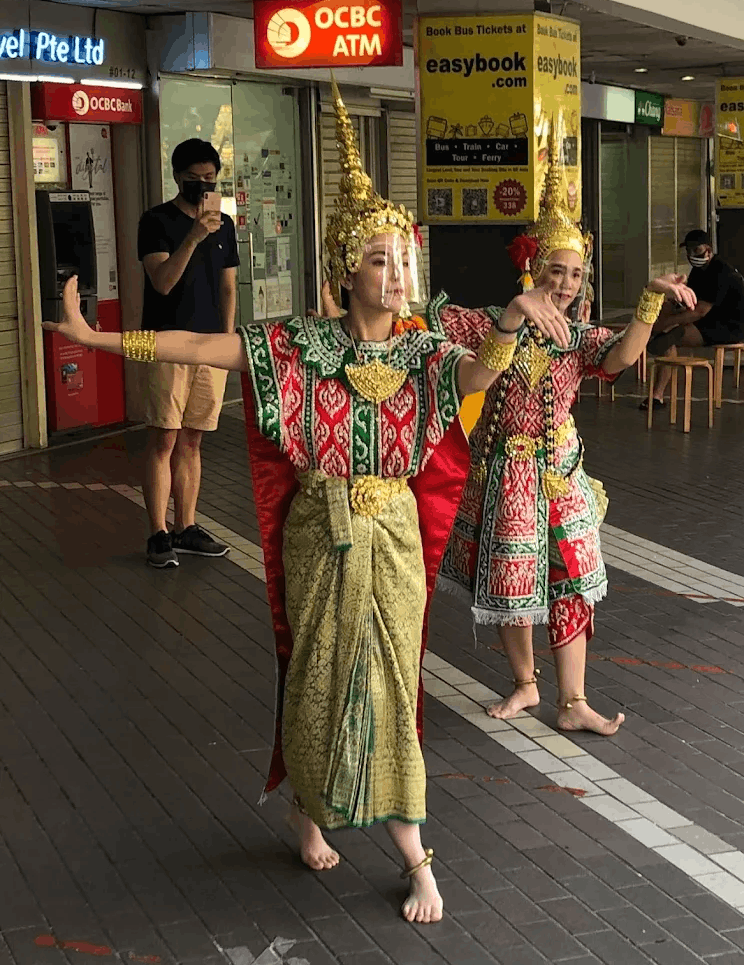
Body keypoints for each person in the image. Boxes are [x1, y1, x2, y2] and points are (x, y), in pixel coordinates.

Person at [43, 81, 572, 925]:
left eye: (404, 259)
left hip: (394, 539)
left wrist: (508, 320)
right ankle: (306, 807)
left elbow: (480, 373)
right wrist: (96, 337)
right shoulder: (298, 344)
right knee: (316, 675)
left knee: (393, 686)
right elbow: (199, 344)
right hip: (318, 536)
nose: (397, 275)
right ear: (345, 269)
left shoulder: (428, 353)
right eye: (379, 260)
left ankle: (413, 852)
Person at [317, 121, 695, 734]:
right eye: (555, 271)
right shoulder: (490, 321)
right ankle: (525, 685)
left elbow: (621, 357)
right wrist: (350, 304)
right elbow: (421, 319)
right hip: (504, 472)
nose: (565, 284)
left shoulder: (576, 335)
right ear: (532, 267)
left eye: (575, 274)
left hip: (561, 469)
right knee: (513, 582)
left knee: (572, 578)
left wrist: (650, 301)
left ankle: (573, 701)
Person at [138, 138, 239, 568]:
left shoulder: (225, 225)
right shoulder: (156, 221)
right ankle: (158, 533)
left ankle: (186, 527)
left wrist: (228, 342)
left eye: (210, 178)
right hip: (167, 341)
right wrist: (194, 236)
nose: (203, 186)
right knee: (164, 437)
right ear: (177, 177)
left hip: (211, 346)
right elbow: (162, 281)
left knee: (193, 439)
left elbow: (229, 287)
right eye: (195, 178)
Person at [641, 229, 744, 410]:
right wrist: (668, 305)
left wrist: (663, 324)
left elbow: (699, 312)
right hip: (709, 321)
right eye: (688, 250)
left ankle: (656, 394)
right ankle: (656, 394)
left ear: (709, 250)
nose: (692, 255)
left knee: (670, 337)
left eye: (696, 250)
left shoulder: (720, 271)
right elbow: (688, 303)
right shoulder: (698, 271)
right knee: (667, 318)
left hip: (728, 327)